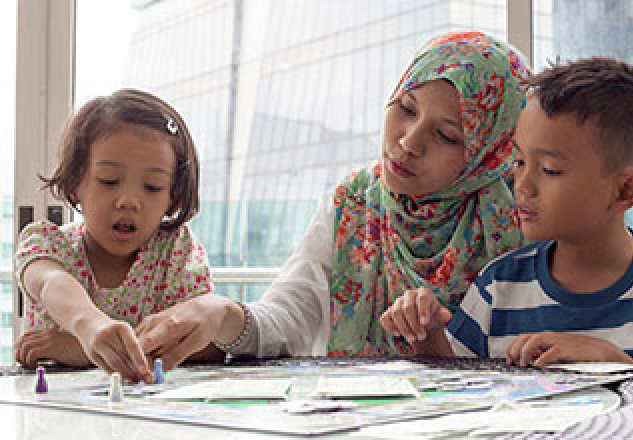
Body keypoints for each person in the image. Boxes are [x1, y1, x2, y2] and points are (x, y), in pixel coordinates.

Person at [136, 31, 530, 360]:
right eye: (406, 108)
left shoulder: (519, 217)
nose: (409, 142)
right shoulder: (354, 203)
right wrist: (220, 312)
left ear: (489, 153)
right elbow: (290, 314)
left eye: (447, 135)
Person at [380, 57, 633, 384]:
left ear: (624, 192)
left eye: (550, 170)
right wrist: (427, 337)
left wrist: (613, 362)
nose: (522, 185)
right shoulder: (499, 286)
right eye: (519, 162)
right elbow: (460, 393)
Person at [13, 89, 244, 381]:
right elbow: (51, 283)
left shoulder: (176, 252)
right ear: (75, 184)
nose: (129, 201)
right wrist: (89, 327)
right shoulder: (47, 244)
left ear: (173, 198)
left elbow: (207, 345)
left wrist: (84, 351)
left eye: (152, 186)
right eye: (109, 181)